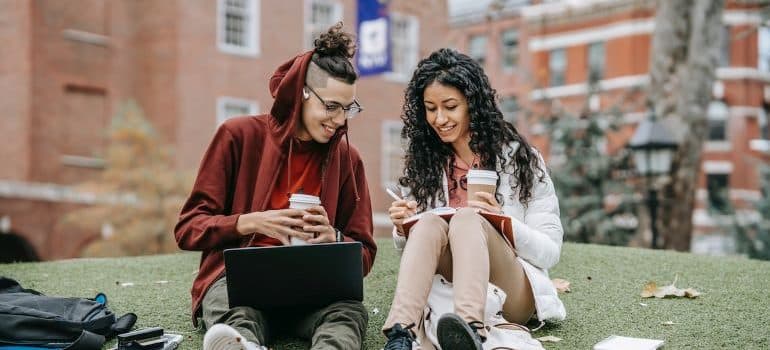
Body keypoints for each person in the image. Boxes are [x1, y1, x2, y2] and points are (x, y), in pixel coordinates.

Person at [174, 23, 377, 350]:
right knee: (235, 315)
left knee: (347, 313)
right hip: (240, 288)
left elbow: (366, 252)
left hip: (315, 291)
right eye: (331, 107)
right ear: (302, 93)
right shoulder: (237, 136)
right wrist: (251, 221)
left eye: (348, 108)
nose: (340, 120)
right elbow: (187, 229)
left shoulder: (348, 159)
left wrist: (334, 238)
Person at [381, 48, 566, 350]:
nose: (439, 119)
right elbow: (420, 257)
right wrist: (403, 229)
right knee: (427, 222)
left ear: (472, 104)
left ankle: (469, 330)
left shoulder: (520, 159)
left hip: (512, 290)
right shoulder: (425, 165)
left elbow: (550, 251)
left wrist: (501, 223)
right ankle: (402, 332)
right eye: (430, 108)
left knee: (468, 217)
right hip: (449, 285)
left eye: (450, 106)